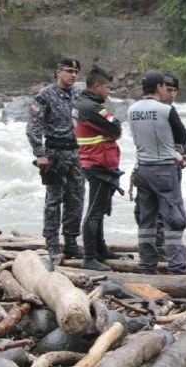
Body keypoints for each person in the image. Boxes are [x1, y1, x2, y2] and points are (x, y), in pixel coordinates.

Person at [127, 70, 186, 275]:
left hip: (142, 169)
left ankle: (147, 264)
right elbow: (181, 135)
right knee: (173, 218)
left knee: (146, 220)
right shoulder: (165, 110)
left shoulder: (131, 110)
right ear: (159, 88)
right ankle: (176, 266)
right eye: (165, 87)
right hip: (164, 170)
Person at [26, 57, 86, 260]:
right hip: (55, 154)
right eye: (69, 71)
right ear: (58, 71)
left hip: (77, 153)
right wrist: (40, 153)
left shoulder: (79, 93)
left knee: (76, 199)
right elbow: (33, 125)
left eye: (76, 72)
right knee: (54, 200)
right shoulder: (45, 96)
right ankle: (52, 244)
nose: (73, 75)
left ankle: (71, 242)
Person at [73, 67, 124, 271]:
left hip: (94, 160)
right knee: (95, 210)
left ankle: (100, 250)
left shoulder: (82, 104)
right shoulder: (92, 108)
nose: (109, 91)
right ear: (96, 86)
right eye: (107, 87)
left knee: (99, 209)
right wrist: (114, 129)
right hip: (97, 162)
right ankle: (90, 256)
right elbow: (116, 128)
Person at [153, 73, 186, 257]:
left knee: (172, 209)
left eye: (175, 91)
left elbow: (179, 137)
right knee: (159, 210)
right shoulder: (154, 111)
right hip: (158, 166)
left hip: (173, 167)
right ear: (159, 89)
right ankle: (159, 249)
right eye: (169, 90)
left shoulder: (171, 110)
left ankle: (170, 248)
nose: (172, 94)